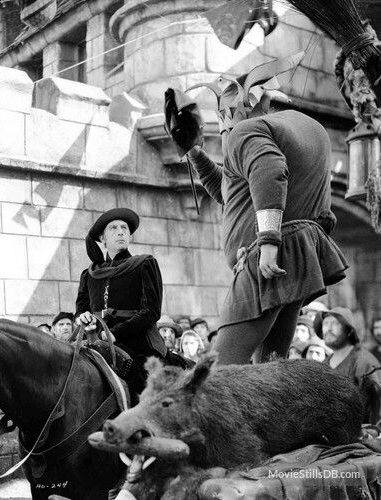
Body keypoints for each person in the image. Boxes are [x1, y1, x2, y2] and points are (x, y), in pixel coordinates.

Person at [182, 56, 348, 365]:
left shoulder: (247, 131)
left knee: (218, 373)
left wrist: (269, 241)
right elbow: (235, 194)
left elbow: (270, 171)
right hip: (301, 254)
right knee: (271, 368)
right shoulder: (307, 130)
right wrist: (194, 153)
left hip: (266, 259)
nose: (224, 134)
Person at [75, 208, 167, 395]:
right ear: (102, 238)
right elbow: (80, 311)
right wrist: (83, 318)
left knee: (142, 387)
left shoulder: (144, 264)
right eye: (113, 228)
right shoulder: (89, 274)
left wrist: (115, 334)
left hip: (137, 343)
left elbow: (151, 312)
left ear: (130, 237)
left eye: (125, 228)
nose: (120, 231)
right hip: (97, 341)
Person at [316, 307, 381, 424]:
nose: (329, 328)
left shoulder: (365, 362)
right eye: (325, 323)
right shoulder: (323, 365)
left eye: (335, 323)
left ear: (349, 330)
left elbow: (377, 409)